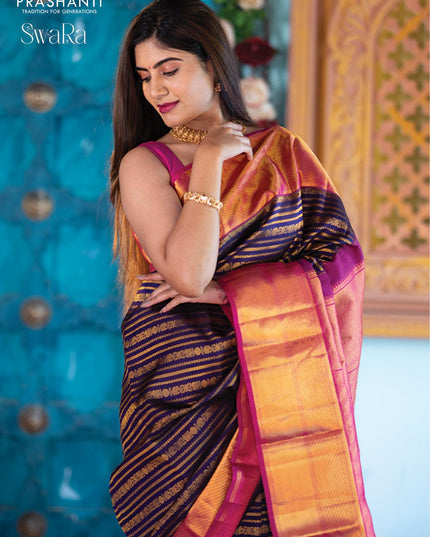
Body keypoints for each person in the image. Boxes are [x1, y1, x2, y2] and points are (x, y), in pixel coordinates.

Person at [108, 1, 375, 536]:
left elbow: (340, 260)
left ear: (213, 65)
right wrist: (209, 160)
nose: (156, 89)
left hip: (282, 383)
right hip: (186, 399)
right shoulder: (145, 163)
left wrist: (231, 293)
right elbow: (188, 275)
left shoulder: (282, 153)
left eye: (169, 70)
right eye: (144, 76)